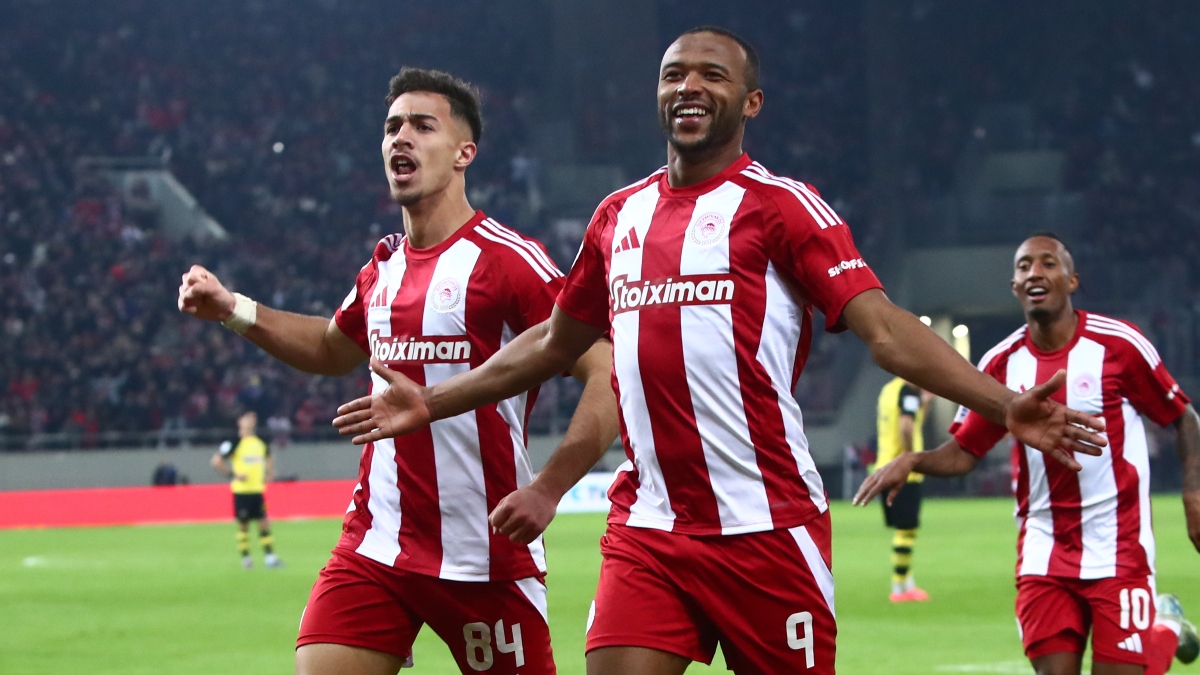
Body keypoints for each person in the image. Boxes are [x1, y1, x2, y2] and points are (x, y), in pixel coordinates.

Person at [332, 29, 1107, 675]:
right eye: (674, 74)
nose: (689, 86)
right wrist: (432, 401)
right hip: (650, 527)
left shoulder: (781, 209)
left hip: (767, 527)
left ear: (750, 102)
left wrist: (1004, 404)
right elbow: (552, 342)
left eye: (712, 74)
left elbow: (883, 328)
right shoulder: (618, 217)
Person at [179, 67, 618, 675]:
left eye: (422, 126)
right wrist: (235, 309)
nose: (400, 138)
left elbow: (607, 370)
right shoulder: (382, 265)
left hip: (485, 553)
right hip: (375, 545)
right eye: (392, 127)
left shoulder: (508, 262)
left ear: (464, 153)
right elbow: (332, 349)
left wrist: (548, 487)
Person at [856, 234, 1200, 675]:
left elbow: (1183, 418)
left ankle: (1166, 627)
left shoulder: (1120, 346)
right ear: (1015, 287)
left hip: (1120, 547)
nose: (1034, 272)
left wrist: (1193, 496)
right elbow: (965, 452)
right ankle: (1165, 626)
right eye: (1023, 267)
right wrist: (913, 460)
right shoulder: (1000, 364)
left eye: (1048, 263)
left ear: (1072, 280)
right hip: (1044, 549)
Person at [874, 377, 933, 602]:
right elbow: (907, 425)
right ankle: (899, 588)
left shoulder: (889, 389)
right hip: (902, 471)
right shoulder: (908, 391)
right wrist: (909, 459)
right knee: (906, 530)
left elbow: (912, 421)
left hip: (885, 465)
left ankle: (907, 582)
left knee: (904, 530)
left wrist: (925, 403)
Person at [211, 410, 282, 569]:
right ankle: (246, 558)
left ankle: (270, 557)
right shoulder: (234, 442)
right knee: (243, 525)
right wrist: (233, 475)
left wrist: (270, 473)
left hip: (257, 490)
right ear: (240, 421)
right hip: (241, 491)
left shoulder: (260, 443)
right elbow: (216, 461)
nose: (251, 421)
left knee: (264, 523)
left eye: (253, 418)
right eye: (247, 418)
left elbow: (269, 457)